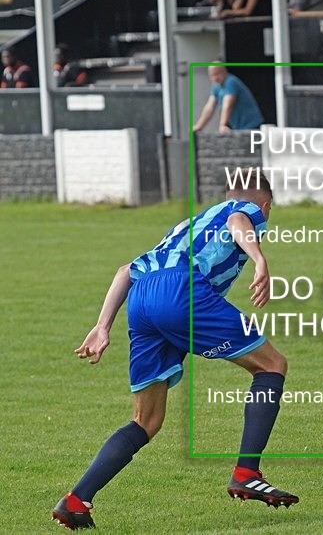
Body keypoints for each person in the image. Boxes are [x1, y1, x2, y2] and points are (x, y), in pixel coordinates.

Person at [51, 174, 298, 530]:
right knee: (272, 365)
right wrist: (259, 259)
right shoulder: (244, 209)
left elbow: (126, 270)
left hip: (141, 299)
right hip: (181, 291)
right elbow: (237, 220)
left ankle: (76, 501)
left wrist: (103, 326)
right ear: (266, 206)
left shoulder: (187, 225)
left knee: (146, 421)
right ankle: (246, 472)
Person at [193, 65, 264, 133]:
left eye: (217, 74)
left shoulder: (231, 82)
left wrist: (223, 125)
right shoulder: (216, 85)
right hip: (237, 127)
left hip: (251, 125)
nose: (215, 78)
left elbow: (228, 105)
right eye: (212, 75)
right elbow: (209, 107)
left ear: (224, 71)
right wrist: (199, 126)